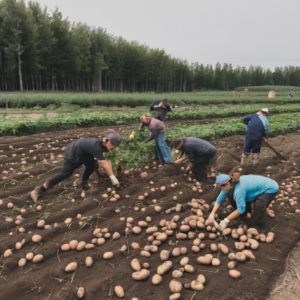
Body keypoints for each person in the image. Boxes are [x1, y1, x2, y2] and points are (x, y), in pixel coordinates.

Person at [30, 133, 122, 202]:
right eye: (114, 146)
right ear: (109, 142)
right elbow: (104, 163)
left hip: (82, 153)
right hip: (72, 153)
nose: (114, 148)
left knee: (91, 165)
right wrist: (113, 178)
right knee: (66, 174)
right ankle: (39, 190)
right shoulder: (96, 147)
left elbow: (96, 159)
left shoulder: (102, 142)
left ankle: (84, 184)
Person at [207, 173, 278, 235]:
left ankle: (259, 227)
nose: (222, 190)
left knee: (260, 204)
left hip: (269, 188)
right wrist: (212, 213)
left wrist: (226, 220)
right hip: (254, 188)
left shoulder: (238, 190)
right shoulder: (230, 182)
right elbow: (220, 199)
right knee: (231, 194)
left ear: (227, 183)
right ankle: (245, 214)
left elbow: (241, 209)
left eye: (221, 188)